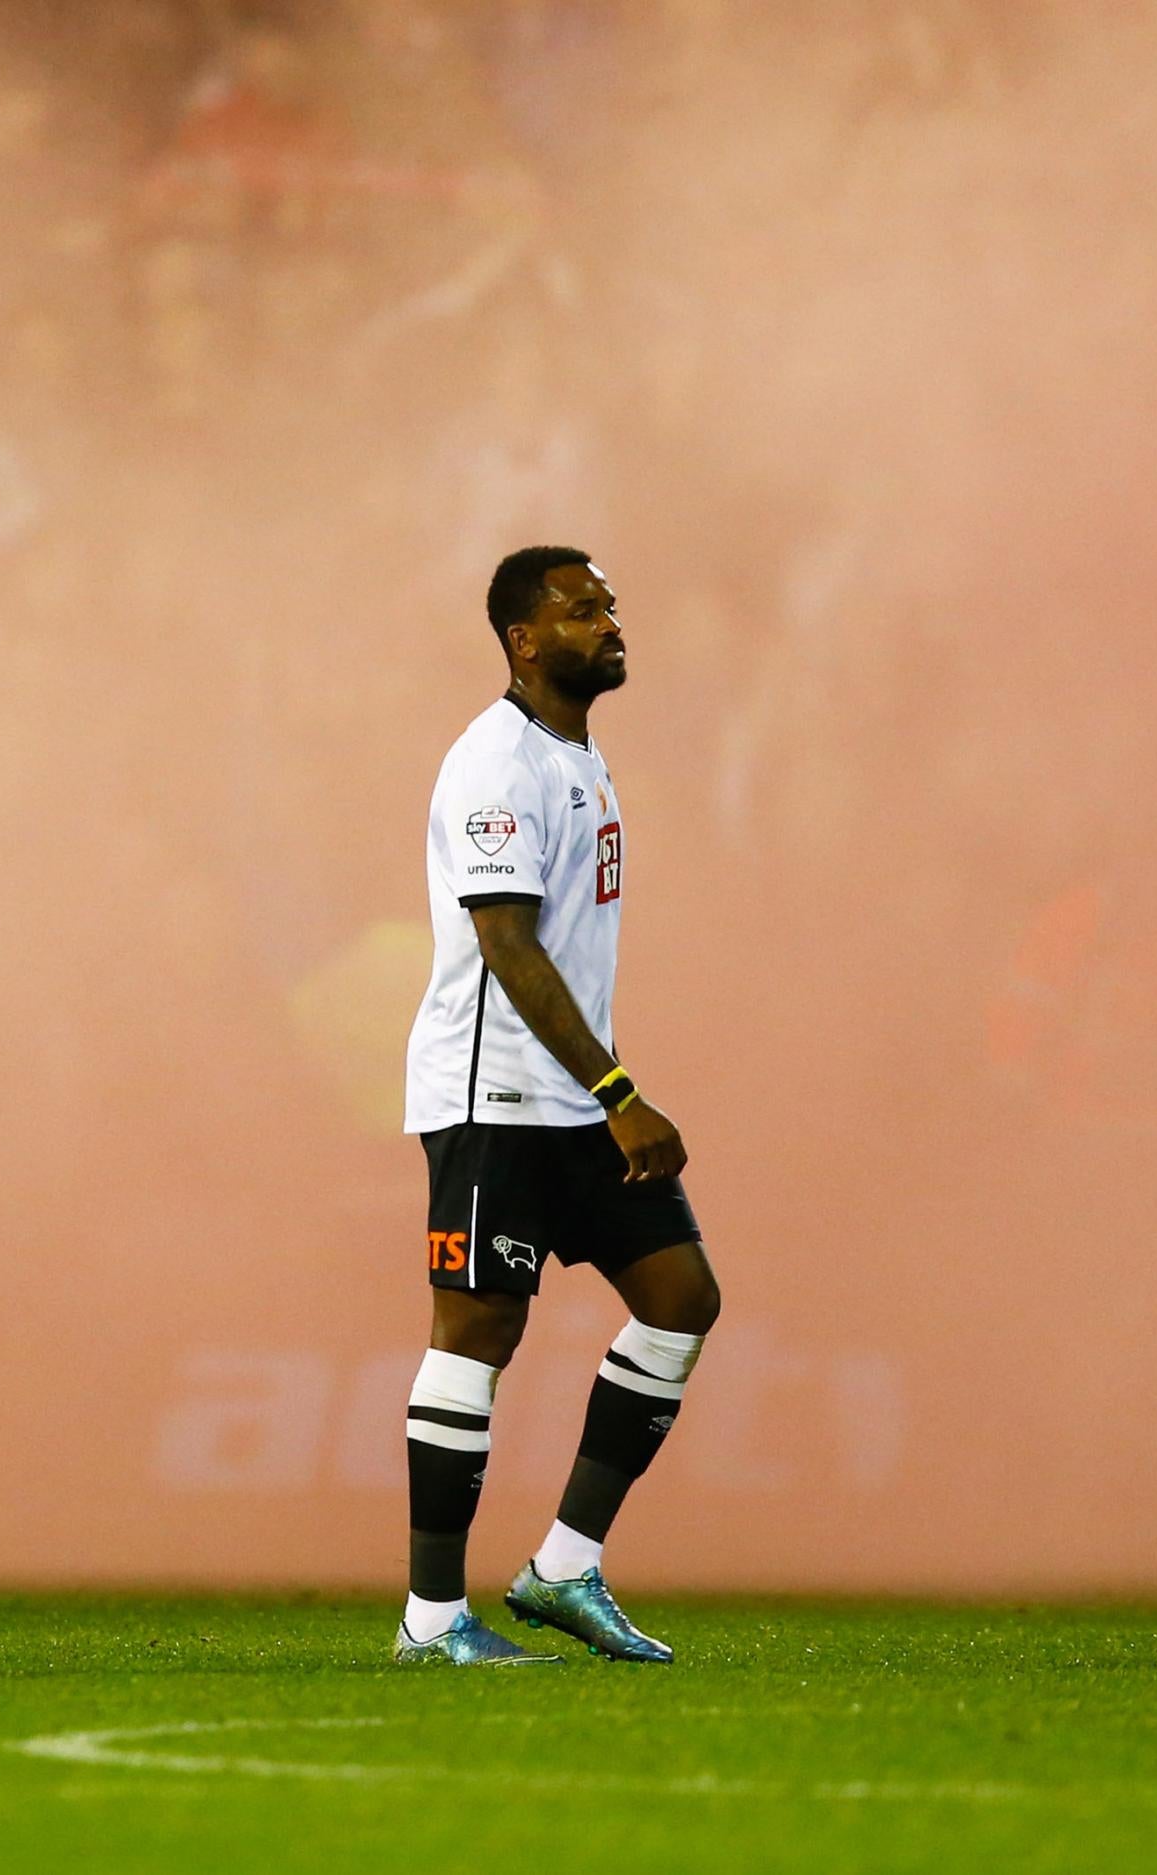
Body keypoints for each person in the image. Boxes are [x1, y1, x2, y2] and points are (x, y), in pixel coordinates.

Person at [394, 545, 721, 1665]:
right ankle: (431, 1621)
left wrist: (604, 1093)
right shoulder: (496, 762)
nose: (609, 622)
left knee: (680, 1296)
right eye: (583, 611)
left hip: (572, 1102)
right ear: (524, 641)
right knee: (478, 1330)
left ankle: (564, 1569)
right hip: (494, 1094)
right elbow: (506, 947)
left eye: (611, 605)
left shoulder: (576, 755)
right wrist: (621, 1090)